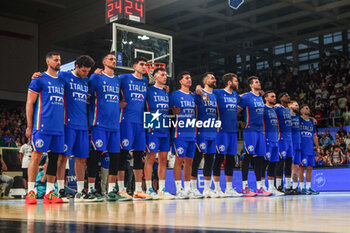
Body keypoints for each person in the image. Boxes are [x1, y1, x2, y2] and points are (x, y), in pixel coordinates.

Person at [32, 55, 97, 202]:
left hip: (82, 124)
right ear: (77, 67)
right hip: (67, 124)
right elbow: (49, 77)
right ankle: (60, 189)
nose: (86, 74)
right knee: (62, 158)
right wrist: (37, 74)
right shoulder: (63, 76)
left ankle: (80, 191)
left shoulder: (86, 80)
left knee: (82, 159)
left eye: (88, 71)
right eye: (84, 71)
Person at [88, 53, 131, 202]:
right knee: (95, 155)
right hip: (99, 123)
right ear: (104, 62)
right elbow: (86, 95)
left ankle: (112, 190)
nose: (114, 61)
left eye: (114, 59)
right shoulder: (96, 77)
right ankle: (91, 189)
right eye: (110, 59)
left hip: (115, 125)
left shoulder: (118, 80)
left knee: (115, 157)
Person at [25, 51, 65, 204]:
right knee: (36, 156)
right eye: (55, 60)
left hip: (58, 127)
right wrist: (29, 125)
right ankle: (31, 191)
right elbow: (29, 102)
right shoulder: (39, 79)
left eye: (59, 60)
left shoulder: (62, 81)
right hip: (41, 125)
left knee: (54, 158)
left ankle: (50, 192)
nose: (58, 62)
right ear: (48, 62)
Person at [118, 57, 150, 200]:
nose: (144, 67)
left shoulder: (145, 81)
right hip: (126, 121)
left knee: (138, 155)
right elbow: (110, 84)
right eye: (142, 64)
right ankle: (121, 189)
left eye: (146, 65)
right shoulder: (124, 78)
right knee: (123, 154)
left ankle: (138, 189)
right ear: (134, 66)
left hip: (141, 122)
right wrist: (117, 102)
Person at [143, 67, 175, 200]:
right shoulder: (148, 90)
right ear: (155, 76)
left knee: (163, 159)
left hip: (165, 127)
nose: (165, 77)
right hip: (152, 123)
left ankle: (161, 188)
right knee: (150, 158)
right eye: (162, 75)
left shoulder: (166, 92)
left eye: (165, 75)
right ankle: (149, 188)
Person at [237, 76, 272, 197]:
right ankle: (244, 187)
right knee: (247, 157)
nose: (259, 83)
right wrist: (239, 122)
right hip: (250, 130)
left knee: (259, 159)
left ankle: (259, 187)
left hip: (260, 131)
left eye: (259, 81)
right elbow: (237, 110)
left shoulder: (261, 98)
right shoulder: (246, 97)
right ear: (251, 85)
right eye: (256, 82)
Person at [169, 71, 196, 199]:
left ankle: (188, 188)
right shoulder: (174, 95)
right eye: (186, 78)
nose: (189, 80)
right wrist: (172, 111)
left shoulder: (192, 96)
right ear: (180, 81)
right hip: (179, 132)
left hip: (192, 133)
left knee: (189, 162)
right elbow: (166, 109)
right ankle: (178, 189)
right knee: (179, 160)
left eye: (190, 77)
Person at [191, 72, 218, 198]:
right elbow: (192, 94)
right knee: (196, 160)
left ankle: (207, 189)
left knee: (209, 160)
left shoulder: (215, 96)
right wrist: (197, 87)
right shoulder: (199, 93)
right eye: (212, 78)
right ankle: (193, 188)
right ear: (206, 81)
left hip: (213, 131)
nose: (215, 79)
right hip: (201, 131)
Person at [263, 91, 284, 196]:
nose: (274, 98)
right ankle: (262, 186)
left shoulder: (275, 110)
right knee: (265, 163)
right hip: (267, 140)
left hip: (276, 140)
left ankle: (272, 187)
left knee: (273, 164)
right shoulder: (263, 108)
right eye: (272, 96)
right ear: (266, 98)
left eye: (275, 96)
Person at [275, 92, 293, 195]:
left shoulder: (288, 110)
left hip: (289, 138)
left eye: (288, 95)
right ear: (281, 99)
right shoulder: (278, 108)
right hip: (281, 138)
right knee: (281, 161)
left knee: (289, 162)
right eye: (286, 96)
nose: (288, 96)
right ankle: (278, 185)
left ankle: (288, 186)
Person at [299, 104, 320, 195]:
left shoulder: (312, 123)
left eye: (308, 108)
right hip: (301, 148)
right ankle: (302, 187)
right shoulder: (298, 119)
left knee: (310, 168)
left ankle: (308, 187)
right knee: (301, 167)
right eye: (306, 108)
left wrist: (318, 146)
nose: (308, 109)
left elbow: (314, 136)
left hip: (310, 148)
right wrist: (312, 117)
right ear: (301, 110)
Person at [289, 100, 302, 194]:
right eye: (296, 105)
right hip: (291, 142)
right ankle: (290, 186)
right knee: (292, 166)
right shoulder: (287, 116)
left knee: (297, 166)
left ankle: (295, 186)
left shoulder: (298, 116)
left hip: (298, 143)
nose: (298, 107)